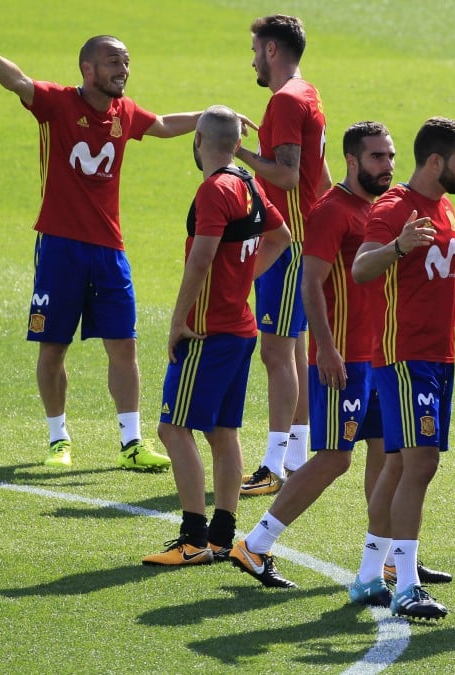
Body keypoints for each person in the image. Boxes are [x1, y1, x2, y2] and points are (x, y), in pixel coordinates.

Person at [0, 36, 242, 470]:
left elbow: (166, 124)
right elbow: (18, 81)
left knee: (124, 344)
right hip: (59, 247)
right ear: (88, 69)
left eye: (127, 62)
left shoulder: (124, 112)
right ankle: (59, 439)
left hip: (110, 250)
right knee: (53, 346)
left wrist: (210, 117)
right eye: (114, 62)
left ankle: (131, 442)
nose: (124, 69)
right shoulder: (58, 103)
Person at [352, 117, 455, 620]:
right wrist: (398, 245)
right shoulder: (393, 209)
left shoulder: (444, 209)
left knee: (402, 463)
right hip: (406, 358)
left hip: (438, 356)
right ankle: (404, 585)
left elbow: (439, 284)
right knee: (421, 463)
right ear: (437, 161)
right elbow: (360, 268)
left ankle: (366, 577)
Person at [230, 121, 395, 590]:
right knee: (333, 458)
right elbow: (309, 284)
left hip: (380, 355)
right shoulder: (331, 211)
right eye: (377, 157)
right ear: (351, 160)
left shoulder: (380, 208)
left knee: (387, 455)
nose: (386, 166)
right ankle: (255, 544)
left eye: (390, 156)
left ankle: (383, 558)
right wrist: (326, 349)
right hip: (344, 359)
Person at [140, 105, 290, 566]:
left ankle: (193, 538)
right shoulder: (248, 181)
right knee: (223, 432)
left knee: (173, 428)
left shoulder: (214, 190)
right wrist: (243, 283)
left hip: (207, 332)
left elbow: (201, 260)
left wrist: (178, 319)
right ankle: (224, 535)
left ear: (200, 139)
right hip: (239, 328)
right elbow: (281, 236)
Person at [236, 15, 332, 497]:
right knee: (292, 348)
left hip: (288, 244)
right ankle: (294, 455)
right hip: (304, 237)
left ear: (272, 50)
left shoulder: (285, 101)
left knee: (275, 349)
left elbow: (290, 175)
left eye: (255, 49)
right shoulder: (308, 93)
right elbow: (324, 176)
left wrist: (239, 152)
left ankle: (273, 465)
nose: (252, 58)